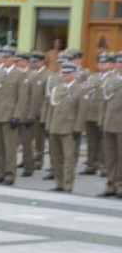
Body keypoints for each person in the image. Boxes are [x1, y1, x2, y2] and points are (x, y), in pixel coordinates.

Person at [0, 46, 25, 185]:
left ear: (13, 58)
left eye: (8, 57)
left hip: (10, 115)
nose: (5, 59)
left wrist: (17, 115)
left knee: (9, 148)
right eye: (3, 57)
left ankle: (10, 175)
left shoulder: (19, 75)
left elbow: (21, 98)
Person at [47, 62, 83, 193]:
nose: (65, 75)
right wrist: (48, 125)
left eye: (68, 73)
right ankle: (59, 183)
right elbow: (51, 108)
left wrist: (78, 128)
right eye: (64, 73)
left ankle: (68, 185)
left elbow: (82, 111)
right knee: (56, 157)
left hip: (69, 128)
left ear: (74, 74)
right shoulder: (58, 88)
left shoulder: (80, 89)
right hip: (55, 126)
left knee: (68, 158)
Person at [101, 55, 122, 197]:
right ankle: (111, 185)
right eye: (118, 63)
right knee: (110, 157)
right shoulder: (110, 80)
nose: (119, 65)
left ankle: (120, 186)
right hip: (109, 123)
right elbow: (105, 102)